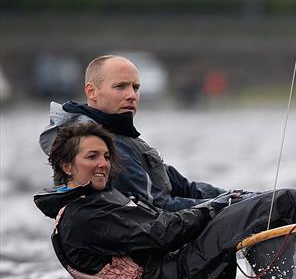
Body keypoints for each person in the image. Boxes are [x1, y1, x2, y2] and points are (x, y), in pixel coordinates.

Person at [34, 121, 296, 279]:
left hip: (177, 276)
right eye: (92, 156)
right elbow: (164, 232)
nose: (103, 164)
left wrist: (228, 202)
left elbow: (166, 220)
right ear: (67, 166)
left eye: (107, 156)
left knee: (268, 209)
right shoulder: (82, 217)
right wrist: (220, 205)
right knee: (288, 200)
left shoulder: (90, 204)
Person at [39, 54, 227, 211]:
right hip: (139, 240)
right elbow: (154, 207)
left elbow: (183, 187)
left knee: (248, 206)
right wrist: (223, 207)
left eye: (135, 88)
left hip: (165, 229)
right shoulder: (95, 142)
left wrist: (234, 198)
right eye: (120, 87)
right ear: (92, 91)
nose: (131, 95)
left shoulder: (122, 134)